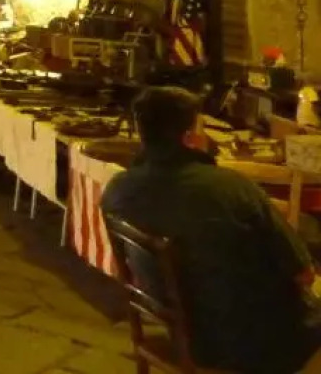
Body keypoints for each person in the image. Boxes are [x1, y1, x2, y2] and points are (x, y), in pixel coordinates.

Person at [101, 86, 321, 374]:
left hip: (181, 330)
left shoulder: (117, 191)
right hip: (250, 343)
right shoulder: (232, 188)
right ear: (190, 138)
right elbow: (303, 274)